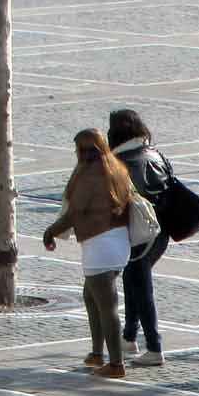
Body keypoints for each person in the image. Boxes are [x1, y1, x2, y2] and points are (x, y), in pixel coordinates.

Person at [42, 129, 134, 379]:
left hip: (99, 243)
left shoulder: (89, 175)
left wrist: (50, 231)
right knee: (91, 296)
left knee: (107, 304)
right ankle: (97, 354)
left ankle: (115, 364)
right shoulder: (117, 168)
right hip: (118, 241)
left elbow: (74, 213)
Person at [108, 108, 170, 367]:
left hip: (139, 232)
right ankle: (129, 335)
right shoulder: (156, 154)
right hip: (161, 231)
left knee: (140, 286)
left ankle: (154, 347)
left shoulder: (121, 163)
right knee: (134, 279)